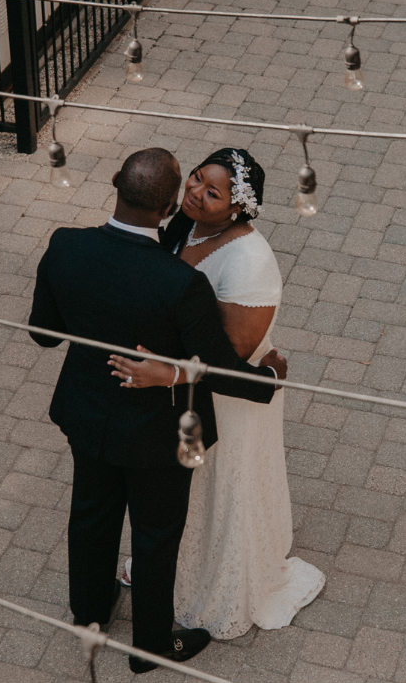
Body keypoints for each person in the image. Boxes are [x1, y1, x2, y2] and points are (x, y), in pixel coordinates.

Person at [27, 148, 288, 673]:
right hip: (156, 430)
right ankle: (150, 645)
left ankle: (91, 613)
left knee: (91, 514)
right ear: (170, 206)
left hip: (87, 413)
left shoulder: (65, 245)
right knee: (155, 533)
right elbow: (223, 367)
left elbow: (42, 334)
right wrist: (271, 379)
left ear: (115, 181)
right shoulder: (180, 284)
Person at [109, 149, 325, 639]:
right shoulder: (185, 225)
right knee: (180, 489)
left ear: (237, 208)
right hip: (179, 386)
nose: (195, 194)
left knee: (218, 486)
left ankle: (218, 582)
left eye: (213, 193)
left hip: (228, 397)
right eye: (196, 180)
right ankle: (175, 568)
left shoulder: (250, 261)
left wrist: (166, 374)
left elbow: (230, 356)